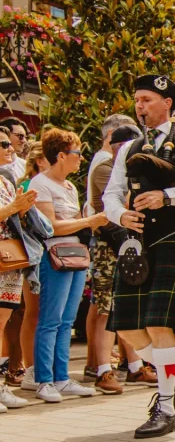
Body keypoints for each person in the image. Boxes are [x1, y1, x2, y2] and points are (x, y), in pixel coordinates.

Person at [103, 74, 175, 437]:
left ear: (167, 103)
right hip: (136, 241)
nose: (140, 106)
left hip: (171, 236)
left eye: (147, 99)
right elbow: (111, 194)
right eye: (137, 99)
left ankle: (166, 407)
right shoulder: (129, 147)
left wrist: (167, 197)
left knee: (158, 324)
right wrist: (120, 215)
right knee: (128, 326)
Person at [31, 129, 108, 403]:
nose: (80, 158)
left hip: (74, 253)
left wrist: (87, 221)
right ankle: (43, 380)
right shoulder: (39, 184)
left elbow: (72, 220)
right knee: (50, 320)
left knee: (66, 321)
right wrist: (88, 221)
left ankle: (61, 378)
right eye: (76, 153)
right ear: (61, 155)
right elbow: (49, 226)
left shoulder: (69, 186)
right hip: (54, 254)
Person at [85, 124, 156, 394]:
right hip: (109, 244)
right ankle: (104, 371)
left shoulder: (125, 170)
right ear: (120, 147)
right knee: (105, 310)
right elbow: (113, 212)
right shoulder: (106, 169)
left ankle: (136, 367)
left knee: (126, 309)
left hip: (126, 244)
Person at [0, 127, 36, 413]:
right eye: (3, 143)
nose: (10, 147)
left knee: (2, 323)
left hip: (9, 262)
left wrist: (22, 209)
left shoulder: (7, 179)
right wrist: (14, 207)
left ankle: (0, 386)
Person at [9, 142, 49, 391]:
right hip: (30, 256)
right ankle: (26, 368)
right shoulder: (26, 187)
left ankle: (30, 367)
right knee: (30, 312)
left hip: (40, 255)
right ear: (39, 161)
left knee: (33, 313)